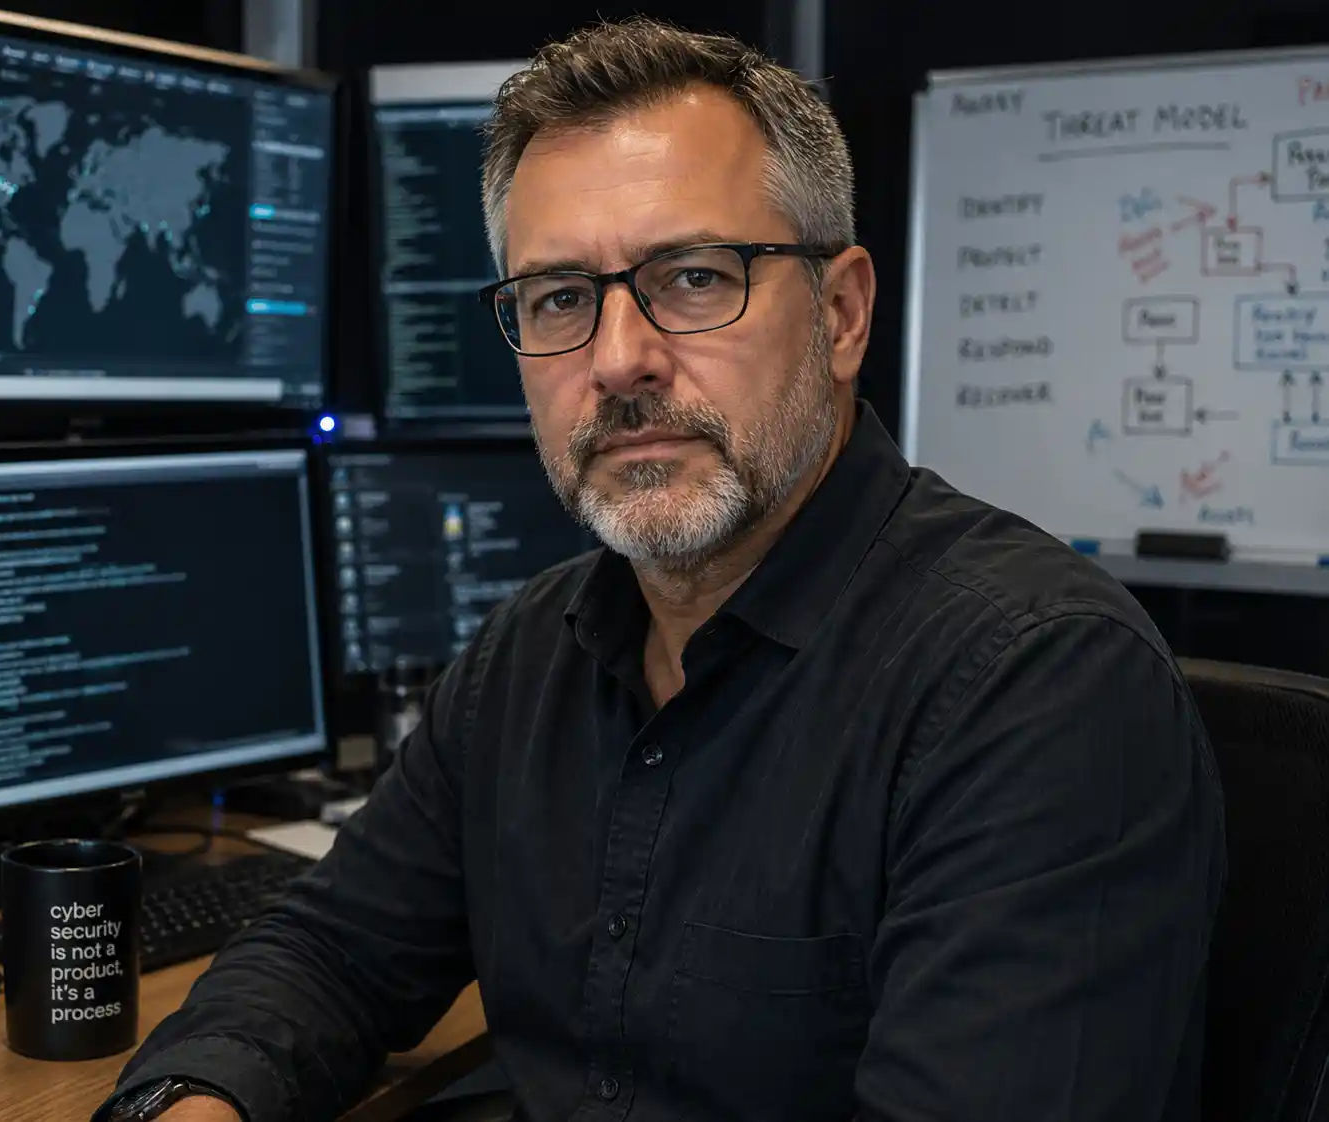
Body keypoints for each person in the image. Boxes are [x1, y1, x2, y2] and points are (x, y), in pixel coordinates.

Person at [94, 18, 1224, 1122]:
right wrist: (194, 1100)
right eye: (559, 299)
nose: (619, 359)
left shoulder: (1038, 687)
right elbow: (331, 948)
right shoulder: (527, 656)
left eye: (691, 277)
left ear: (839, 314)